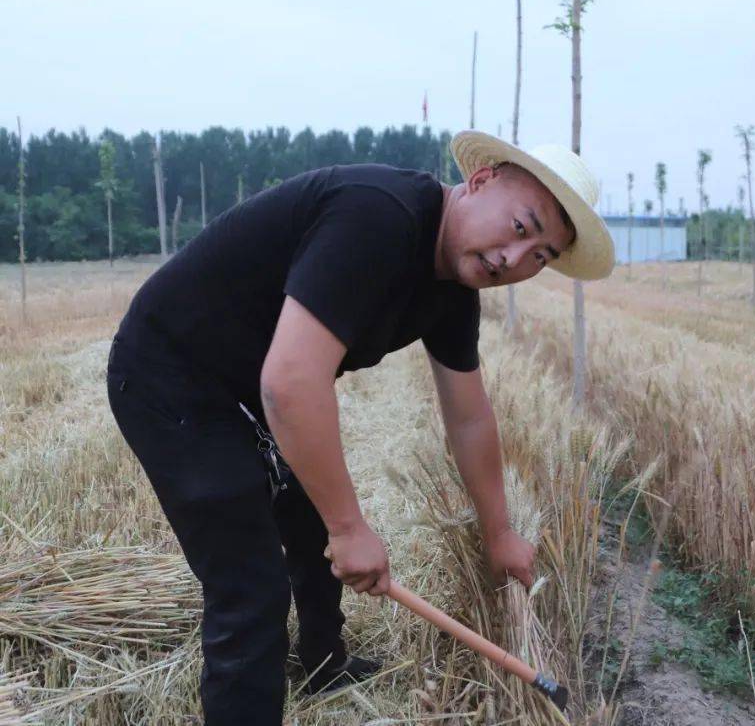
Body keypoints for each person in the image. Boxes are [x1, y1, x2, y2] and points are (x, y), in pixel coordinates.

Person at [105, 130, 615, 725]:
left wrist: (499, 532)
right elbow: (292, 383)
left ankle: (323, 665)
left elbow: (470, 416)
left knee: (309, 517)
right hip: (172, 373)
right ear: (480, 183)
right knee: (251, 587)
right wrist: (351, 528)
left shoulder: (452, 290)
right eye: (522, 228)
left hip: (247, 384)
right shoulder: (378, 215)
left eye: (540, 256)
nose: (514, 258)